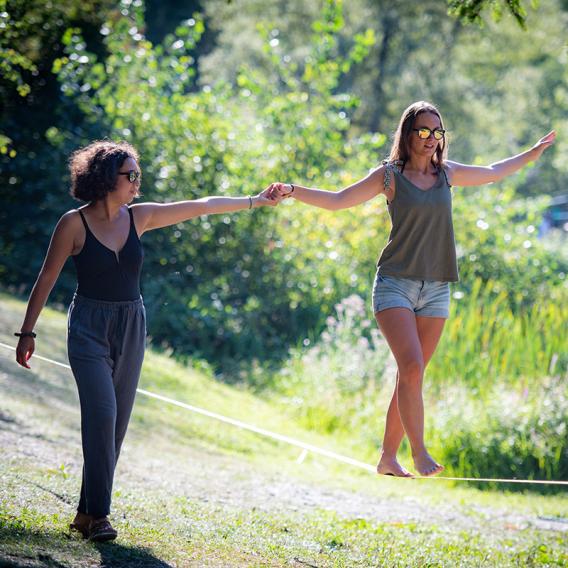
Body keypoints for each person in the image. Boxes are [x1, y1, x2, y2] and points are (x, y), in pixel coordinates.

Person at [268, 101, 555, 478]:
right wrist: (292, 190)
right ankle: (419, 452)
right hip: (395, 285)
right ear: (407, 134)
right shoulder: (389, 176)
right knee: (412, 366)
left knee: (411, 375)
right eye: (423, 131)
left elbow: (492, 172)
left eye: (437, 133)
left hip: (436, 289)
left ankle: (388, 458)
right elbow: (339, 200)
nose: (431, 139)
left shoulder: (447, 174)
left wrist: (532, 154)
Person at [15, 139, 278, 541]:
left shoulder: (139, 217)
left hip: (132, 324)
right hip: (88, 325)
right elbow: (46, 278)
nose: (138, 183)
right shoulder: (73, 224)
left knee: (115, 424)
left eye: (139, 175)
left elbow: (203, 205)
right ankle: (100, 516)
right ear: (106, 177)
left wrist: (255, 201)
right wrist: (28, 331)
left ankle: (86, 514)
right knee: (102, 414)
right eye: (131, 175)